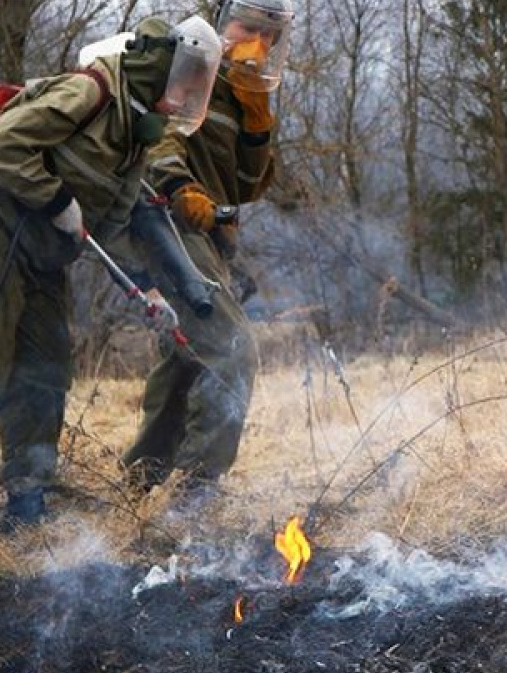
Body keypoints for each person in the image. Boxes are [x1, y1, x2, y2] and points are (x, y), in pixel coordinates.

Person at [0, 16, 222, 533]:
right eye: (180, 87)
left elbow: (111, 228)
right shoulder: (88, 92)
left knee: (46, 369)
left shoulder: (134, 140)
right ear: (157, 71)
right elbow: (5, 145)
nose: (182, 100)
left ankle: (26, 502)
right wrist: (57, 198)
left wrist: (147, 289)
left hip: (42, 251)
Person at [120, 0, 293, 502]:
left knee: (186, 358)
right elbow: (159, 134)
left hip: (211, 237)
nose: (254, 41)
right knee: (232, 346)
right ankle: (196, 496)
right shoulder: (190, 59)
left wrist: (258, 122)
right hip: (167, 220)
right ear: (222, 22)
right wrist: (179, 186)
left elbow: (247, 184)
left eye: (267, 35)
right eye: (246, 27)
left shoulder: (247, 93)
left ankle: (135, 486)